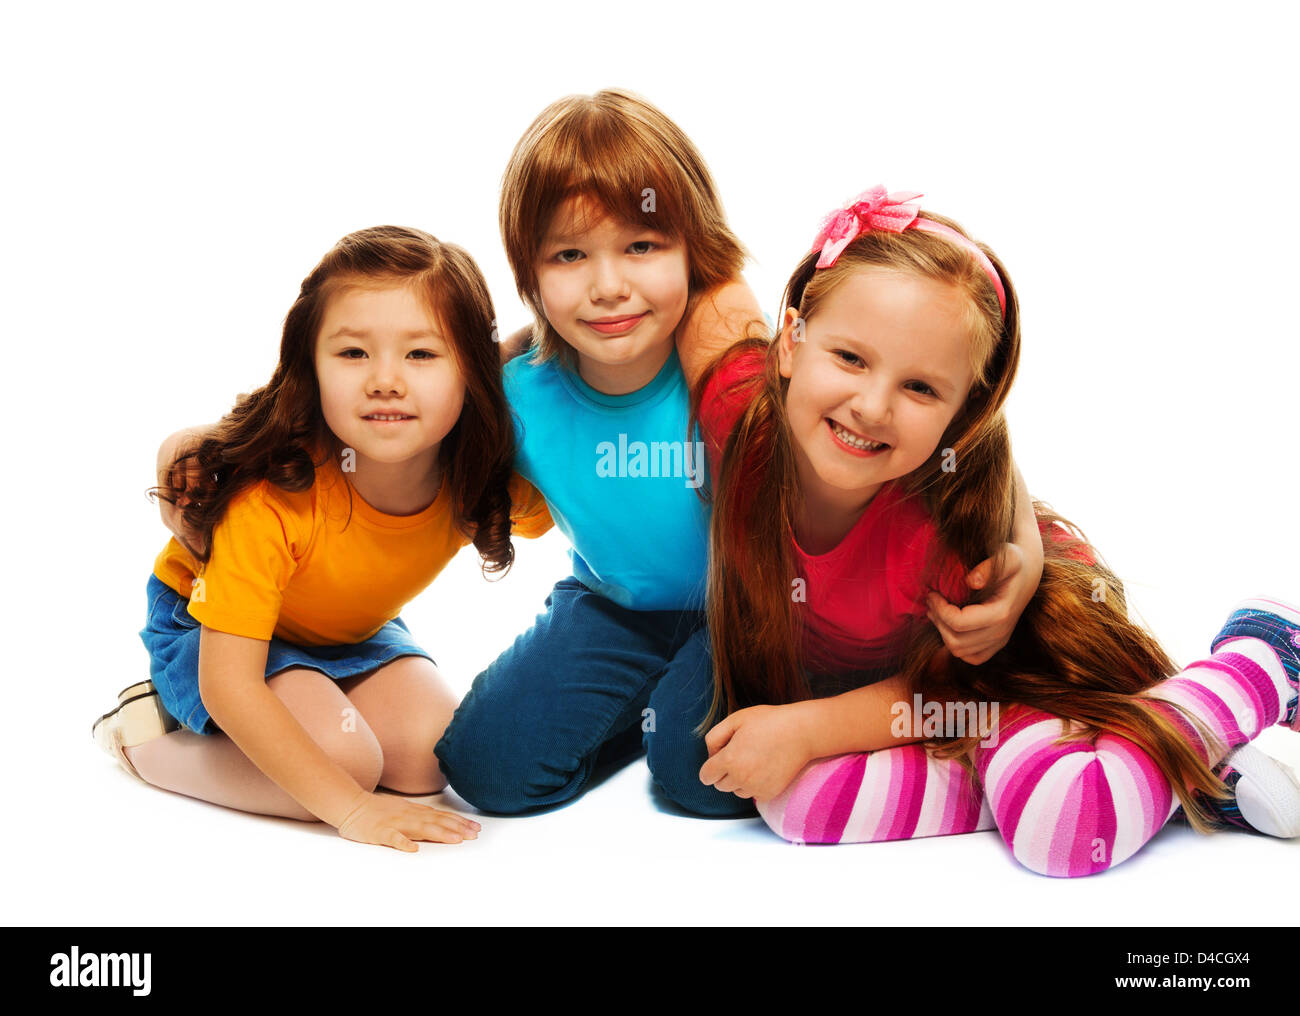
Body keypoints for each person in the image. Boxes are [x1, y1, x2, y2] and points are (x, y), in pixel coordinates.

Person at [433, 94, 1047, 817]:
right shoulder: (516, 395)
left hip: (749, 610)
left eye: (642, 246)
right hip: (615, 609)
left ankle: (691, 720)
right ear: (527, 273)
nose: (608, 287)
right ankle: (636, 711)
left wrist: (1027, 547)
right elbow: (412, 441)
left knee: (700, 777)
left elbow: (963, 443)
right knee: (486, 770)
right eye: (569, 255)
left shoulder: (725, 358)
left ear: (691, 254)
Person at [691, 187, 1300, 874]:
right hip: (914, 696)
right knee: (799, 805)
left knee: (1064, 833)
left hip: (1004, 670)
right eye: (851, 359)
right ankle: (1181, 770)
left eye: (920, 388)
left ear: (962, 414)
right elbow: (700, 278)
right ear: (789, 344)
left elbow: (955, 689)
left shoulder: (948, 544)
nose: (871, 406)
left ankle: (1268, 653)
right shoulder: (737, 411)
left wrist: (810, 727)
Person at [93, 226, 552, 851]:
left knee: (430, 757)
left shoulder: (477, 479)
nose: (386, 380)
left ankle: (317, 702)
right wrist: (351, 811)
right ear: (310, 366)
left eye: (421, 355)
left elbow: (572, 441)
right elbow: (231, 684)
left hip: (347, 635)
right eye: (353, 354)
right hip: (214, 637)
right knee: (344, 765)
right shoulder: (275, 497)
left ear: (472, 370)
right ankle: (146, 743)